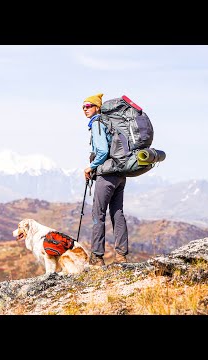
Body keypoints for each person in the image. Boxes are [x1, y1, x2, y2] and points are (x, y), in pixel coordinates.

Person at [82, 93, 128, 266]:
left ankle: (97, 257)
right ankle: (121, 256)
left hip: (107, 175)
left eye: (88, 106)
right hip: (120, 175)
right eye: (83, 107)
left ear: (97, 107)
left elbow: (101, 151)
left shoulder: (98, 123)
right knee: (117, 213)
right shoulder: (112, 124)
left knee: (98, 214)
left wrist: (91, 167)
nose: (85, 110)